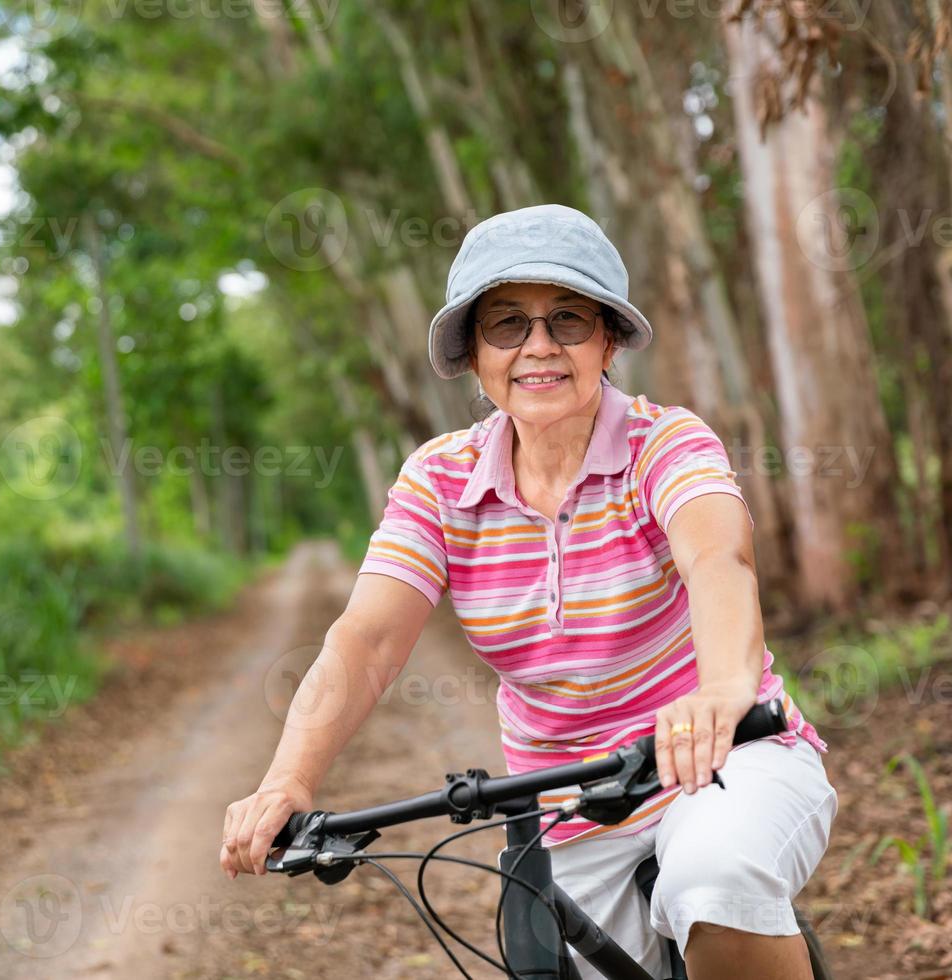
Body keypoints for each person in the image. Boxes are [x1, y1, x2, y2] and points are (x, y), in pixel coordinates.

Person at [221, 204, 837, 979]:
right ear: (473, 355)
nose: (538, 347)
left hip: (724, 758)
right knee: (540, 961)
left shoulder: (666, 444)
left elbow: (719, 561)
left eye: (568, 320)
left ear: (608, 338)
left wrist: (719, 692)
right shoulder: (440, 479)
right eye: (507, 324)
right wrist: (288, 781)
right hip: (568, 809)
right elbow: (368, 639)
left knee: (712, 880)